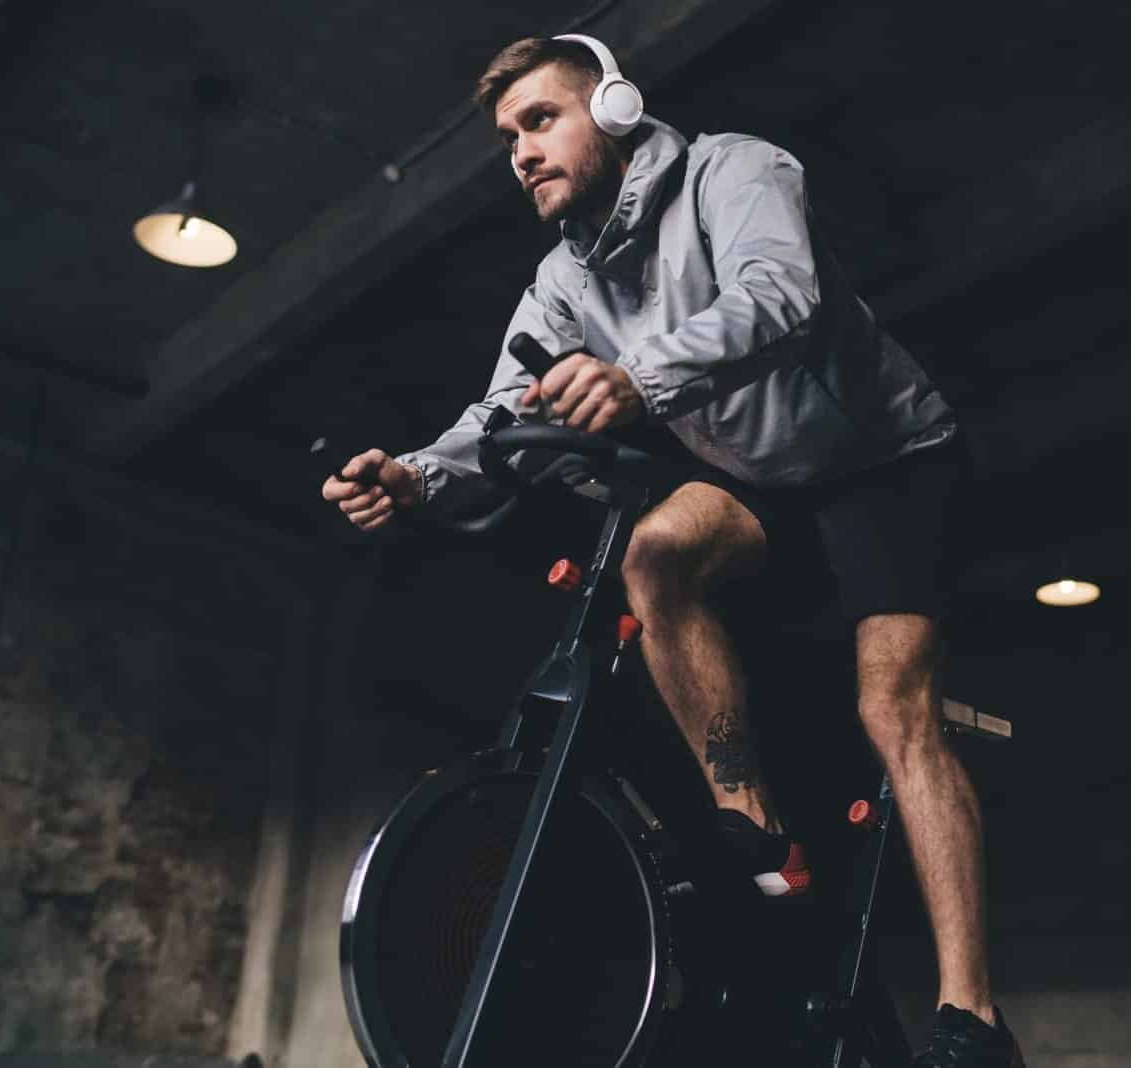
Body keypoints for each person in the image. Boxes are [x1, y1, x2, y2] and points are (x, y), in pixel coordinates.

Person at [321, 34, 1025, 1068]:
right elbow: (499, 410)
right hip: (760, 473)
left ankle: (972, 1018)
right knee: (655, 553)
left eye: (540, 120)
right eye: (506, 138)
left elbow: (781, 296)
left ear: (611, 107)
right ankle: (748, 818)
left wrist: (638, 379)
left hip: (883, 459)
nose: (519, 151)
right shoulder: (562, 277)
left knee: (893, 707)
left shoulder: (734, 169)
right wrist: (416, 476)